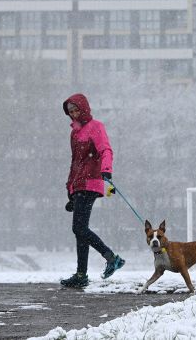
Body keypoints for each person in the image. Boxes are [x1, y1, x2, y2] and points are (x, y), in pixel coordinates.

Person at [60, 93, 124, 288]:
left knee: (78, 228)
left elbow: (106, 150)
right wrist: (70, 190)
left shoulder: (96, 127)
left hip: (92, 182)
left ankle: (111, 257)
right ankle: (81, 275)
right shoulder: (75, 133)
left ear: (84, 108)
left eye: (76, 110)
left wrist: (106, 170)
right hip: (79, 184)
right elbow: (75, 163)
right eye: (70, 112)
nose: (73, 114)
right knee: (80, 231)